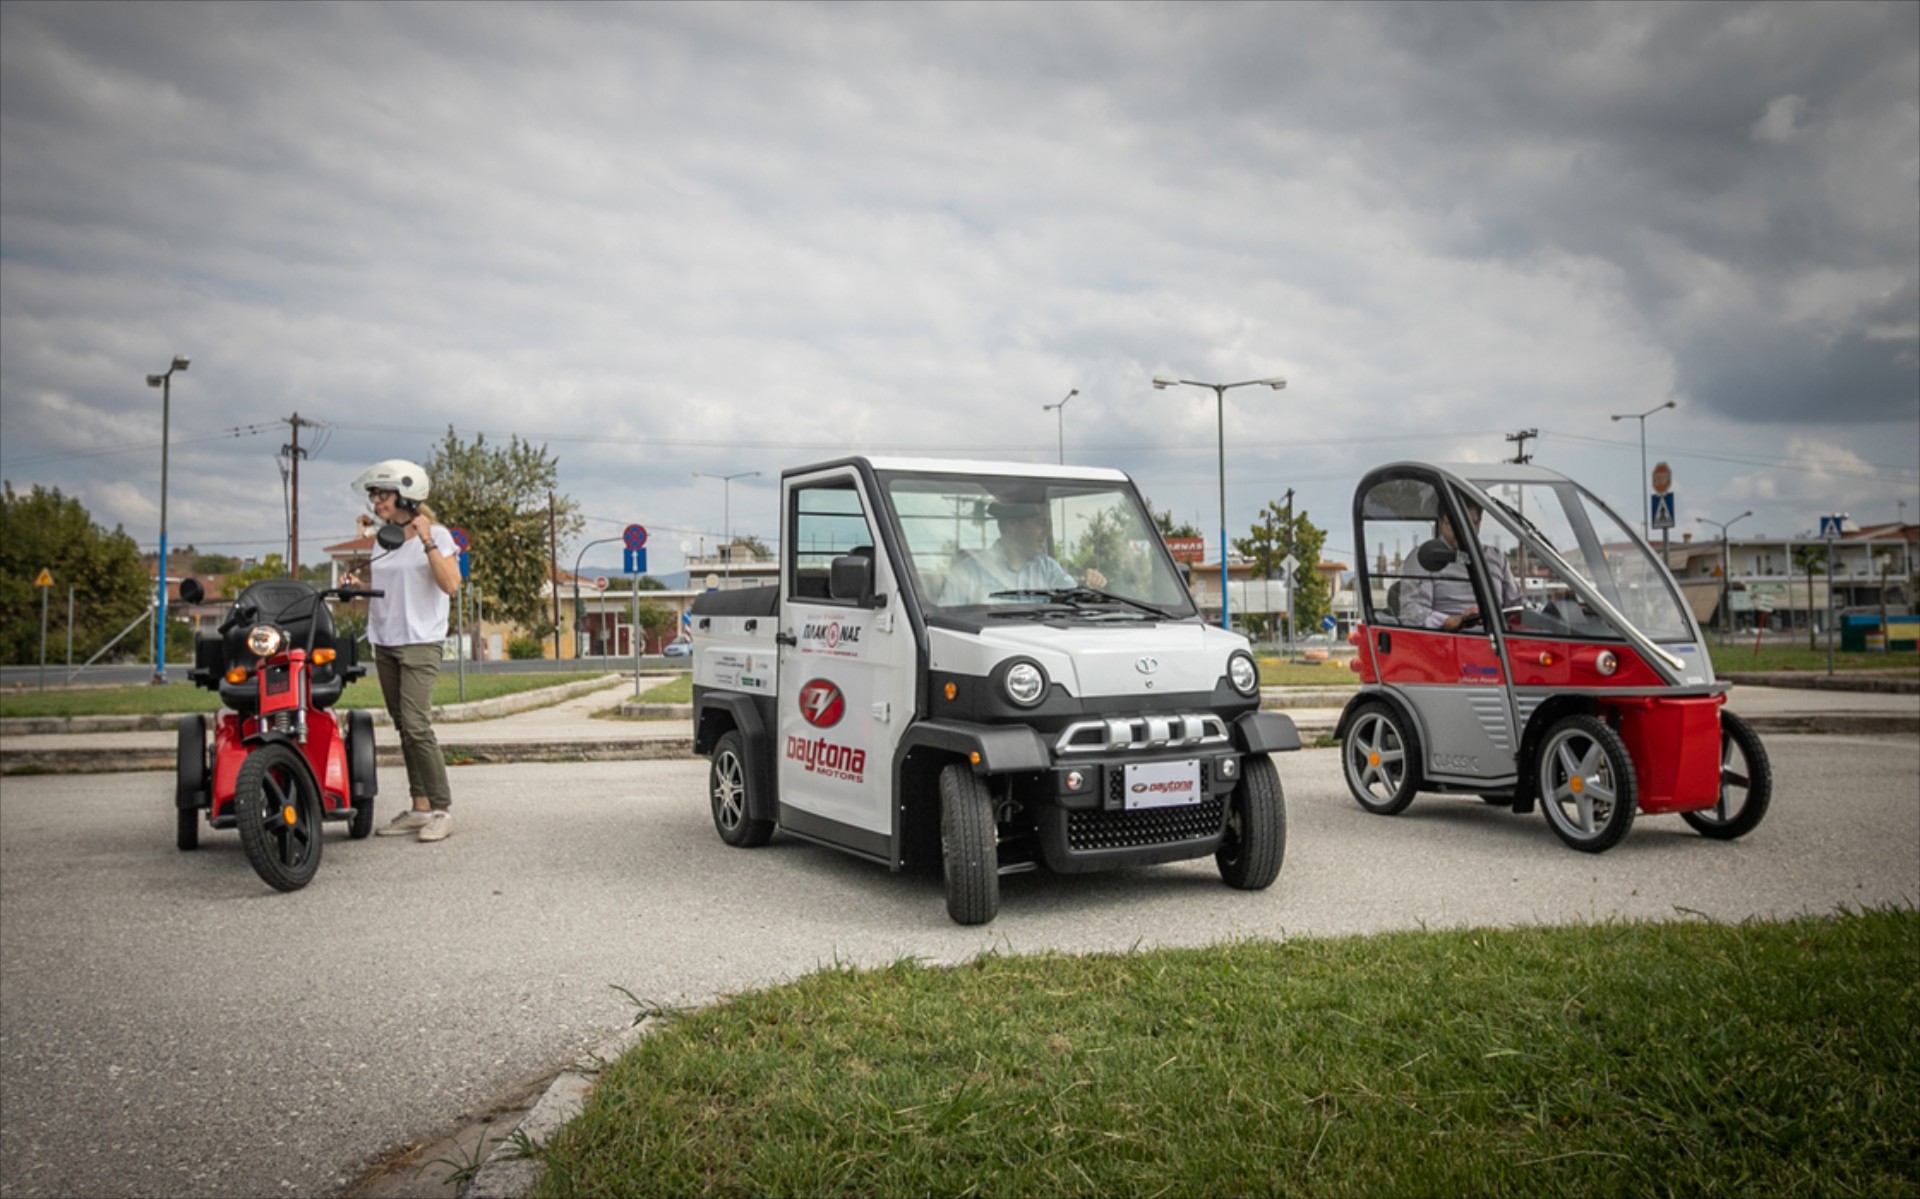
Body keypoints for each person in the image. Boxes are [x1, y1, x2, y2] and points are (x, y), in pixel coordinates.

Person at [341, 459, 461, 842]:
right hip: (385, 640)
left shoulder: (439, 536)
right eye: (374, 495)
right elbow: (390, 588)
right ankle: (419, 807)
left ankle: (442, 810)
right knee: (404, 728)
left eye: (383, 495)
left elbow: (451, 586)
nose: (376, 502)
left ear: (406, 496)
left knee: (416, 724)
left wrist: (426, 540)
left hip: (421, 641)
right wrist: (354, 586)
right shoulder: (385, 539)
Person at [938, 499, 1107, 605]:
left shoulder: (1047, 569)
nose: (1048, 531)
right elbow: (945, 629)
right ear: (1011, 525)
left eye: (1049, 524)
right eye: (1041, 523)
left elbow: (1075, 601)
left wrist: (1088, 587)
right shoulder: (967, 573)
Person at [1399, 503, 1522, 632]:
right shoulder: (1425, 557)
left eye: (1471, 524)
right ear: (1441, 523)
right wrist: (1452, 621)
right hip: (1448, 640)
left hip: (1497, 640)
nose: (1462, 531)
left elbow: (1516, 604)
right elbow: (1410, 612)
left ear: (1479, 524)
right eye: (1453, 524)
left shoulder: (1496, 558)